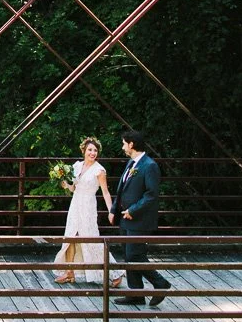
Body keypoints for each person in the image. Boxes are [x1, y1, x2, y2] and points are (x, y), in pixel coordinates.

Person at [110, 129, 173, 307]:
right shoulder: (131, 164)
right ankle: (136, 293)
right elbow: (121, 189)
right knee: (129, 255)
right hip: (125, 218)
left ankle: (161, 284)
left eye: (124, 143)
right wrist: (114, 209)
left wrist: (133, 210)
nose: (122, 147)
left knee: (134, 255)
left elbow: (151, 194)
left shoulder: (149, 165)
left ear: (131, 144)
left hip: (139, 219)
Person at [53, 137, 123, 287]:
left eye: (95, 150)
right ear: (84, 150)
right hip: (76, 203)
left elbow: (105, 192)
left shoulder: (99, 170)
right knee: (70, 237)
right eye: (90, 149)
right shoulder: (76, 166)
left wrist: (112, 210)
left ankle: (115, 272)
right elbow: (73, 188)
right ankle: (69, 272)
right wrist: (65, 183)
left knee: (91, 239)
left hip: (88, 206)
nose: (93, 153)